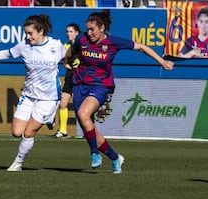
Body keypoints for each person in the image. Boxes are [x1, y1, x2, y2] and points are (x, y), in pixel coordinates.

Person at [63, 9, 174, 174]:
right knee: (89, 129)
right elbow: (72, 51)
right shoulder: (81, 39)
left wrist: (162, 62)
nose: (90, 33)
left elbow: (142, 47)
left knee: (83, 114)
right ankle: (115, 158)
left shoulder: (113, 42)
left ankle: (94, 154)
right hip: (80, 84)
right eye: (88, 29)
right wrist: (66, 61)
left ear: (102, 28)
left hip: (100, 86)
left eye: (93, 29)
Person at [0, 14, 65, 172]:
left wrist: (75, 65)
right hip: (28, 95)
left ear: (40, 31)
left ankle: (17, 163)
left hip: (48, 98)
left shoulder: (56, 46)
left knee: (28, 132)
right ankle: (48, 120)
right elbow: (5, 53)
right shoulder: (24, 46)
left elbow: (70, 59)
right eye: (26, 33)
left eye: (30, 33)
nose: (27, 36)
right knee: (16, 132)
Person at [54, 23, 81, 139]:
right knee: (63, 103)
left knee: (80, 105)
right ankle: (63, 130)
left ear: (77, 33)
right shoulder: (66, 45)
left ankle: (87, 130)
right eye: (67, 31)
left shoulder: (83, 45)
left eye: (71, 31)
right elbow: (64, 61)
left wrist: (80, 66)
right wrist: (67, 66)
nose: (68, 34)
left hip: (81, 77)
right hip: (70, 76)